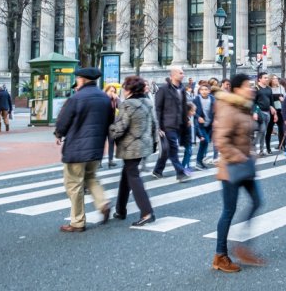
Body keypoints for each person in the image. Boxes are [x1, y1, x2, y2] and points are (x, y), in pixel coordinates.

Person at [212, 74, 264, 273]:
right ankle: (220, 255)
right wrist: (240, 157)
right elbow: (222, 141)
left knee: (257, 201)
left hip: (244, 165)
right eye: (246, 86)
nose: (251, 88)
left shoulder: (243, 107)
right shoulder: (228, 108)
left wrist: (250, 153)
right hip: (232, 168)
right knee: (228, 211)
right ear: (236, 89)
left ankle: (243, 247)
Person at [54, 67, 114, 232]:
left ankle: (77, 221)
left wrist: (59, 134)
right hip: (96, 147)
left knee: (74, 184)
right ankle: (102, 203)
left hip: (77, 148)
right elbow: (110, 120)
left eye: (78, 78)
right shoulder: (104, 98)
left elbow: (63, 121)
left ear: (82, 79)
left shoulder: (76, 98)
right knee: (91, 177)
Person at [109, 75, 158, 226]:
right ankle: (120, 210)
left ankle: (146, 211)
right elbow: (154, 124)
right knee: (127, 174)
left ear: (129, 89)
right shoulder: (147, 102)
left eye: (124, 87)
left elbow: (121, 127)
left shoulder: (127, 104)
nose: (123, 90)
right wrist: (154, 141)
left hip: (130, 146)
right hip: (144, 144)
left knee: (133, 177)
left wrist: (109, 130)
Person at [152, 66, 191, 182]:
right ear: (173, 75)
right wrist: (159, 126)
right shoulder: (163, 90)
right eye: (180, 73)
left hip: (179, 124)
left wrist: (186, 120)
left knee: (167, 149)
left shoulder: (182, 89)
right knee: (173, 149)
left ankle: (157, 170)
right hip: (167, 125)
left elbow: (183, 107)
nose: (183, 75)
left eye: (183, 73)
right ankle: (180, 173)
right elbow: (158, 109)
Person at [194, 84, 217, 169]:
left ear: (209, 91)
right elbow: (192, 110)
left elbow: (215, 110)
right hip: (200, 125)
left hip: (209, 124)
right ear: (199, 91)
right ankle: (199, 162)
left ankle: (200, 161)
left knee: (204, 143)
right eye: (202, 89)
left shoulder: (212, 98)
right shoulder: (196, 99)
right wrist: (198, 117)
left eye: (206, 89)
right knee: (205, 141)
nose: (204, 91)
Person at [253, 72, 274, 156]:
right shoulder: (256, 89)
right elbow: (253, 102)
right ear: (259, 79)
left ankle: (261, 150)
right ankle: (253, 147)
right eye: (265, 77)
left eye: (267, 77)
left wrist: (272, 108)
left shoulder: (269, 88)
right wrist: (255, 112)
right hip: (260, 112)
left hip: (267, 112)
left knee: (263, 131)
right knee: (261, 130)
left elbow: (271, 100)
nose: (267, 79)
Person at [269, 75, 286, 151]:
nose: (276, 80)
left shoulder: (281, 88)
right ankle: (268, 146)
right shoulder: (269, 89)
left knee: (282, 128)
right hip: (272, 110)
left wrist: (283, 99)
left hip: (280, 109)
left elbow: (285, 97)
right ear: (271, 80)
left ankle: (282, 144)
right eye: (274, 79)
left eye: (277, 79)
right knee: (269, 128)